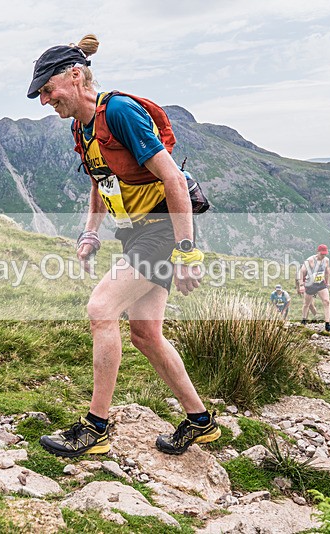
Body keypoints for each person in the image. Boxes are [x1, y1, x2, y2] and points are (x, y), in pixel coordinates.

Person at [27, 35, 220, 458]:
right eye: (40, 93)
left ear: (74, 76)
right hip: (135, 232)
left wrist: (187, 253)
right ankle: (200, 421)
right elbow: (101, 181)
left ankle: (95, 428)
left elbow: (173, 178)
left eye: (47, 89)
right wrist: (91, 232)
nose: (44, 100)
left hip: (163, 228)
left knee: (101, 309)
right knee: (146, 334)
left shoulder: (118, 112)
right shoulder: (83, 127)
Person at [296, 244, 330, 331]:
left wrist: (327, 282)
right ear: (318, 252)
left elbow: (326, 272)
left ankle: (327, 324)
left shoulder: (326, 260)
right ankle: (304, 319)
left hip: (321, 283)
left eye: (325, 254)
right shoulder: (310, 260)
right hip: (310, 284)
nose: (323, 256)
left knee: (327, 301)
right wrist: (301, 285)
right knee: (307, 304)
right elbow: (301, 272)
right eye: (322, 254)